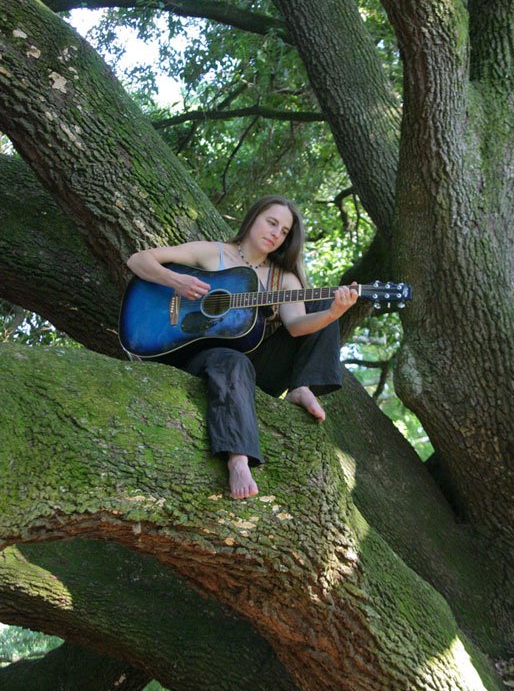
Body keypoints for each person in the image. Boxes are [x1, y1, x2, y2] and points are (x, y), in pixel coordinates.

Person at [126, 196, 358, 499]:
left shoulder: (283, 278)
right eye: (271, 222)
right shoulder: (212, 253)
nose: (277, 233)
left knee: (324, 300)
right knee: (232, 360)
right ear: (253, 219)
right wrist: (177, 281)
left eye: (285, 231)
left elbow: (297, 325)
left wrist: (333, 314)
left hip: (258, 367)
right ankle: (238, 460)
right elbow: (138, 260)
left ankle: (302, 386)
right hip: (201, 356)